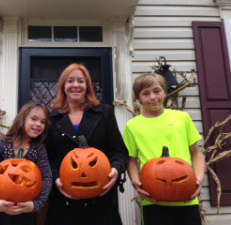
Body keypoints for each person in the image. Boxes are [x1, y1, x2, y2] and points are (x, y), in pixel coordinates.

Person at [45, 63, 129, 225]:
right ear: (63, 86)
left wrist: (116, 169)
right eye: (70, 81)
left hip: (100, 201)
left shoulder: (104, 113)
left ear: (87, 86)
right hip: (63, 203)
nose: (75, 85)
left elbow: (118, 150)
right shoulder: (52, 118)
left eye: (80, 81)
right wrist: (56, 178)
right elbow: (47, 157)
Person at [123, 73, 206, 225]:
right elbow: (131, 160)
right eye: (146, 93)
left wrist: (199, 178)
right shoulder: (133, 126)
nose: (153, 97)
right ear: (138, 98)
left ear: (165, 92)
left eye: (157, 91)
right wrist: (136, 183)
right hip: (153, 200)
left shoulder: (182, 118)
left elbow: (196, 153)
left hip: (186, 198)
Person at [0, 102, 52, 225]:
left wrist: (35, 205)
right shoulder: (0, 144)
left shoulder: (38, 149)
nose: (38, 124)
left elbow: (46, 178)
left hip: (25, 217)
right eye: (34, 119)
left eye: (43, 122)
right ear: (22, 119)